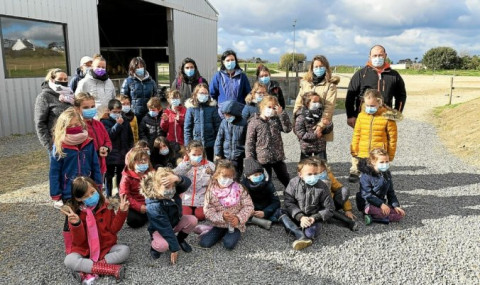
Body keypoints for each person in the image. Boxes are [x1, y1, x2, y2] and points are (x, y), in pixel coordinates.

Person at [49, 108, 102, 256]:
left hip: (88, 188)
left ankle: (91, 244)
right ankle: (71, 248)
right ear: (63, 127)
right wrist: (56, 194)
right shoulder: (60, 145)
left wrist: (98, 184)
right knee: (71, 219)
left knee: (90, 215)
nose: (74, 128)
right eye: (70, 126)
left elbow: (95, 164)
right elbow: (54, 172)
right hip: (69, 191)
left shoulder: (88, 141)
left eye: (77, 124)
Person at [62, 177, 130, 283]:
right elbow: (79, 242)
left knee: (125, 250)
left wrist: (122, 212)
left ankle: (86, 270)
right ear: (78, 199)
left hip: (105, 248)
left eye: (92, 192)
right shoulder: (76, 214)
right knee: (69, 260)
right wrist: (77, 224)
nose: (91, 197)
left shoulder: (107, 206)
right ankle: (110, 270)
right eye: (85, 196)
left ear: (97, 189)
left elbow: (113, 229)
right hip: (85, 251)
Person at [141, 167, 196, 263]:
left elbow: (187, 183)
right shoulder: (154, 206)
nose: (171, 190)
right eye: (167, 187)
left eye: (173, 186)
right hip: (160, 229)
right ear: (156, 187)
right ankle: (154, 247)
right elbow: (165, 228)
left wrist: (178, 178)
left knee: (192, 220)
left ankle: (180, 240)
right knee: (163, 246)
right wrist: (174, 248)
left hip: (174, 223)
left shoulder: (172, 192)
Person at [345, 45, 407, 129]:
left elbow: (401, 95)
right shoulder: (361, 74)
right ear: (370, 57)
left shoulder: (394, 75)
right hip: (363, 118)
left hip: (385, 119)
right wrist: (350, 115)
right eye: (374, 55)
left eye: (380, 55)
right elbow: (350, 96)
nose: (377, 58)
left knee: (386, 141)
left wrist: (396, 113)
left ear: (385, 55)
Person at [279, 158, 334, 250]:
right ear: (300, 174)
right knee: (279, 212)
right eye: (309, 174)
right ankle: (299, 234)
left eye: (315, 174)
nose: (313, 177)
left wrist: (314, 217)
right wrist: (300, 217)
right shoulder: (293, 183)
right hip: (296, 215)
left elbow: (329, 208)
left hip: (312, 218)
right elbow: (288, 202)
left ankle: (303, 235)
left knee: (311, 233)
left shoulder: (323, 186)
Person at [199, 160, 254, 250]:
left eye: (230, 176)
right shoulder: (211, 190)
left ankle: (229, 233)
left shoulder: (239, 188)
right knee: (204, 243)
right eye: (224, 176)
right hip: (219, 224)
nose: (227, 179)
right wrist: (222, 217)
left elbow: (248, 206)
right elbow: (208, 210)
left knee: (228, 244)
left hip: (235, 225)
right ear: (216, 175)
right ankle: (212, 230)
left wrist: (238, 218)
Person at [293, 55, 340, 159]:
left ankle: (321, 173)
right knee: (305, 153)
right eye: (316, 67)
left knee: (320, 155)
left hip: (319, 125)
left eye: (321, 66)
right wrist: (296, 120)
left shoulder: (330, 85)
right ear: (312, 68)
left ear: (326, 68)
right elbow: (299, 102)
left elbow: (329, 107)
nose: (318, 69)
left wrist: (320, 126)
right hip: (305, 124)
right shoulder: (305, 82)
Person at [349, 89, 399, 183]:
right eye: (367, 105)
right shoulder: (361, 116)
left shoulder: (387, 117)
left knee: (378, 179)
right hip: (363, 153)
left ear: (379, 102)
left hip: (379, 155)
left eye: (372, 106)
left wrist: (390, 155)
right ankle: (365, 195)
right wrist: (354, 150)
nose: (369, 108)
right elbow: (356, 134)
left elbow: (392, 138)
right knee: (365, 179)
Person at [245, 95, 292, 187]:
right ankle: (268, 197)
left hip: (277, 156)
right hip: (263, 158)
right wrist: (250, 158)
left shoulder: (275, 119)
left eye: (273, 107)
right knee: (266, 179)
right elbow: (249, 142)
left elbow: (287, 129)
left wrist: (282, 114)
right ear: (262, 107)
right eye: (269, 107)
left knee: (284, 177)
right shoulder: (254, 122)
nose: (271, 109)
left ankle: (293, 194)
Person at [356, 148, 406, 225]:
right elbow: (366, 195)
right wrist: (381, 204)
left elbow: (391, 192)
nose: (385, 164)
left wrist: (396, 206)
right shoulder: (366, 175)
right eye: (382, 162)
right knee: (385, 213)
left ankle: (374, 216)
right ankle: (371, 216)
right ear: (373, 162)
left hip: (380, 202)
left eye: (387, 162)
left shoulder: (386, 174)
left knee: (399, 215)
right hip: (367, 203)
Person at [312, 158, 358, 231]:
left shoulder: (328, 176)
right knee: (325, 209)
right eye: (317, 173)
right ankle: (347, 221)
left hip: (330, 202)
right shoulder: (309, 180)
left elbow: (339, 187)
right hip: (318, 206)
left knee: (344, 190)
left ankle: (332, 214)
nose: (321, 174)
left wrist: (347, 210)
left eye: (322, 172)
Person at [73, 92, 112, 180]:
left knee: (99, 190)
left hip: (100, 167)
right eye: (86, 107)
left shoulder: (99, 124)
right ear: (77, 109)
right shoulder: (77, 127)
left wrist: (106, 148)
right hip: (84, 170)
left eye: (92, 106)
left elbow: (107, 140)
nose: (90, 109)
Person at [175, 140, 215, 222]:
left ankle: (198, 211)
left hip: (202, 198)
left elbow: (216, 180)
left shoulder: (210, 165)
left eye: (199, 154)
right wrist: (188, 165)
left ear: (203, 153)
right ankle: (189, 210)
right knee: (185, 216)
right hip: (186, 198)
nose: (197, 157)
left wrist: (212, 173)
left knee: (200, 216)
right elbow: (176, 173)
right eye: (194, 155)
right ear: (188, 153)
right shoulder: (183, 164)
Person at [101, 99, 134, 197]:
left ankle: (120, 193)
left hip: (122, 153)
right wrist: (117, 125)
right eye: (114, 112)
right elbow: (109, 135)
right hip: (110, 154)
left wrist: (130, 149)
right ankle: (108, 194)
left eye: (119, 112)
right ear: (109, 111)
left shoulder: (125, 121)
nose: (117, 114)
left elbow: (130, 137)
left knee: (121, 174)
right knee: (109, 176)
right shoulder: (105, 122)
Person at [34, 68, 73, 151]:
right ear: (52, 80)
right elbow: (40, 123)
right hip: (57, 142)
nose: (63, 81)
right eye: (60, 79)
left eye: (65, 79)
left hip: (73, 139)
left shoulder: (70, 95)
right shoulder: (44, 97)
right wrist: (50, 146)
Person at [184, 83, 221, 161]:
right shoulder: (191, 109)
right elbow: (187, 129)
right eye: (201, 93)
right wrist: (188, 146)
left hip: (210, 145)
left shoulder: (212, 108)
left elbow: (218, 127)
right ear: (196, 94)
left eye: (205, 93)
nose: (203, 95)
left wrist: (217, 145)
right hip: (196, 145)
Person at [209, 49, 251, 117]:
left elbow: (248, 94)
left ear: (235, 61)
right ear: (223, 62)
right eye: (228, 60)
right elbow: (212, 94)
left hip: (239, 112)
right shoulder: (218, 76)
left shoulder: (242, 76)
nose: (230, 62)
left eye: (232, 60)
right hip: (222, 114)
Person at [241, 157, 280, 230]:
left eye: (260, 174)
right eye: (255, 175)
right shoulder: (243, 186)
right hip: (252, 210)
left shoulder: (268, 183)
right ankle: (257, 220)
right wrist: (250, 210)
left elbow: (276, 202)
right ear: (248, 177)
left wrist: (265, 212)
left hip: (266, 207)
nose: (259, 176)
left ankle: (255, 220)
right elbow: (241, 202)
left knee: (280, 212)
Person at [119, 148, 154, 228]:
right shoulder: (126, 177)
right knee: (134, 221)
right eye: (138, 160)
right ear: (132, 161)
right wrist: (139, 207)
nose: (142, 162)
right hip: (135, 204)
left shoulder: (151, 172)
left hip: (150, 203)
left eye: (145, 159)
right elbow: (125, 196)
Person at [294, 91, 333, 161]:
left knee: (321, 166)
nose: (317, 104)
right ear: (307, 103)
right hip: (306, 147)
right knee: (305, 167)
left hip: (320, 147)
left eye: (318, 102)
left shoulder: (321, 114)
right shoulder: (301, 116)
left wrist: (328, 124)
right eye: (314, 102)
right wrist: (315, 135)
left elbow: (326, 131)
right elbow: (300, 134)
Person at [214, 100, 247, 178]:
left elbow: (247, 141)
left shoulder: (244, 123)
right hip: (225, 156)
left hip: (238, 157)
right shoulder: (224, 123)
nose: (227, 117)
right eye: (225, 115)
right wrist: (218, 154)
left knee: (236, 176)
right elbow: (219, 139)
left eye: (228, 115)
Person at [120, 57, 158, 121]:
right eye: (137, 67)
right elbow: (123, 98)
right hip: (133, 116)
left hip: (149, 115)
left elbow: (156, 97)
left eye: (141, 67)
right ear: (133, 68)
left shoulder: (151, 82)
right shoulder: (128, 81)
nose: (140, 69)